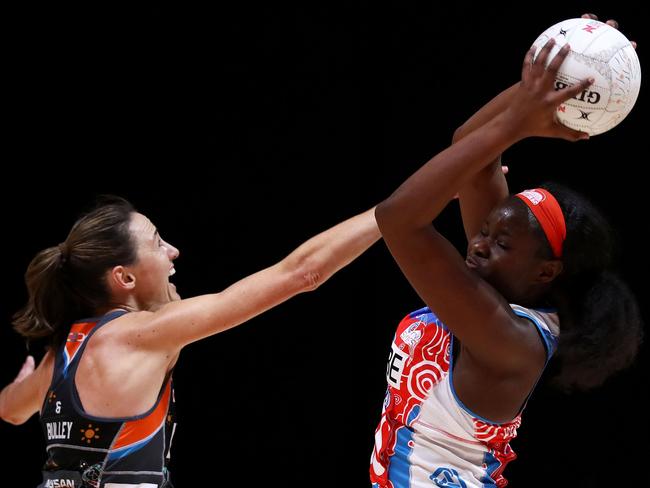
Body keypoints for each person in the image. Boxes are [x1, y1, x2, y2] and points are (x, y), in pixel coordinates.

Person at [369, 17, 643, 488]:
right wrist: (539, 87)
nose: (477, 241)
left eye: (500, 242)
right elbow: (472, 154)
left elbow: (397, 219)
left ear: (546, 270)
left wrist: (518, 123)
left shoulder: (510, 338)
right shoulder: (499, 280)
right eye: (488, 230)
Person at [0, 196, 380, 488]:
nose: (173, 251)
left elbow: (10, 410)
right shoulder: (142, 333)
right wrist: (392, 214)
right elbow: (302, 273)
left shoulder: (65, 350)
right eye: (157, 242)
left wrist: (22, 383)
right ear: (125, 279)